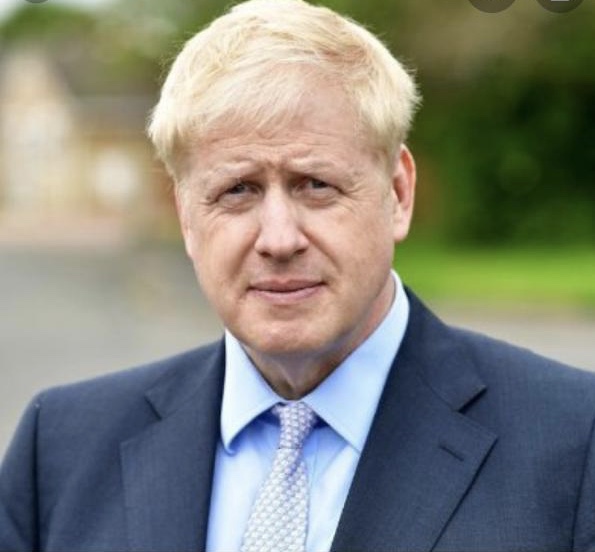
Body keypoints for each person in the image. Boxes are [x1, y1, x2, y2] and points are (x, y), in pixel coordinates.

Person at [2, 0, 595, 550]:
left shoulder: (574, 443)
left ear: (398, 193)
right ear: (185, 216)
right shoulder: (59, 451)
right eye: (237, 190)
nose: (279, 239)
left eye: (316, 185)